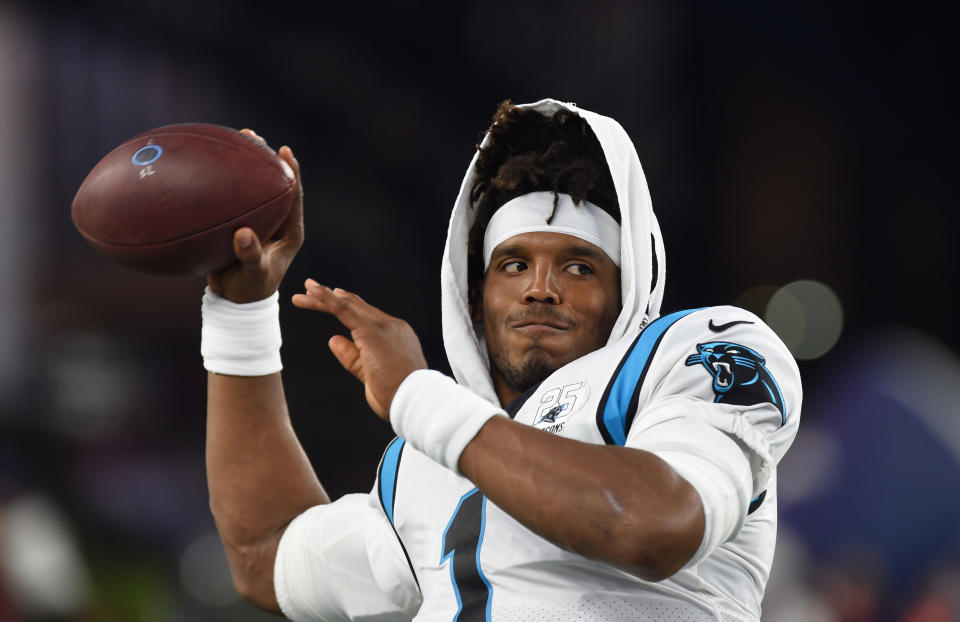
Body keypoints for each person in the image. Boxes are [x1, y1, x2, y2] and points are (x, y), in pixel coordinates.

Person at [200, 99, 802, 621]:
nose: (541, 288)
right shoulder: (424, 459)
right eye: (514, 265)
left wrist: (416, 394)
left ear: (629, 291)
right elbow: (265, 557)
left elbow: (652, 525)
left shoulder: (689, 353)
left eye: (579, 266)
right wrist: (239, 313)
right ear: (475, 298)